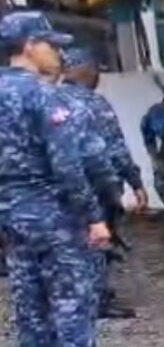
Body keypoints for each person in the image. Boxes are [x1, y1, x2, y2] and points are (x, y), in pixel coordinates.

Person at [0, 11, 118, 347]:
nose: (57, 53)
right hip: (53, 214)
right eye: (50, 44)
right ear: (30, 46)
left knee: (29, 306)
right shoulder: (45, 96)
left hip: (11, 216)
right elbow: (67, 165)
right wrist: (93, 216)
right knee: (70, 303)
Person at [58, 47, 148, 321]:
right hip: (97, 186)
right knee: (99, 240)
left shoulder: (50, 100)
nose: (97, 75)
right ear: (84, 69)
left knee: (70, 243)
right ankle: (97, 300)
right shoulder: (93, 104)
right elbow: (115, 148)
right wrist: (135, 182)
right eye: (95, 69)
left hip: (62, 187)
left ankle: (72, 296)